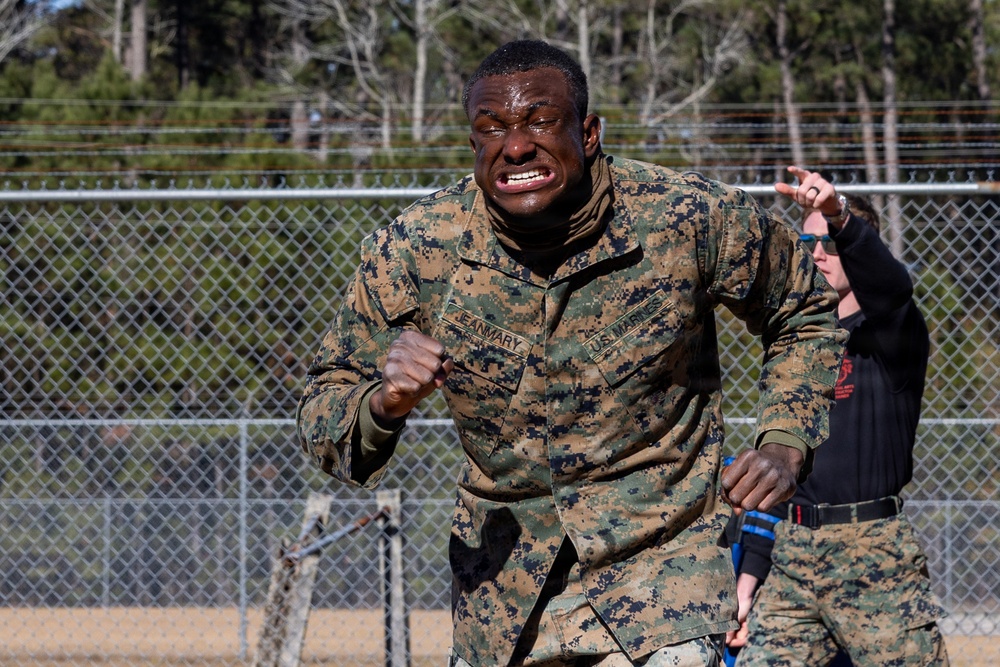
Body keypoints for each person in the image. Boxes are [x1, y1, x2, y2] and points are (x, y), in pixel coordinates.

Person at [297, 41, 846, 667]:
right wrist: (386, 403)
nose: (517, 146)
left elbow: (803, 311)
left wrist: (783, 442)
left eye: (539, 120)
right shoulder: (418, 250)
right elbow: (326, 420)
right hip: (502, 599)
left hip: (661, 573)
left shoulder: (687, 216)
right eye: (491, 129)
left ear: (588, 134)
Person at [730, 167, 949, 667]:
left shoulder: (892, 337)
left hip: (873, 557)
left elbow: (892, 290)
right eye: (808, 244)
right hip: (793, 554)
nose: (818, 254)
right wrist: (750, 583)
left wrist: (838, 215)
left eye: (830, 243)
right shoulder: (794, 345)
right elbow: (780, 474)